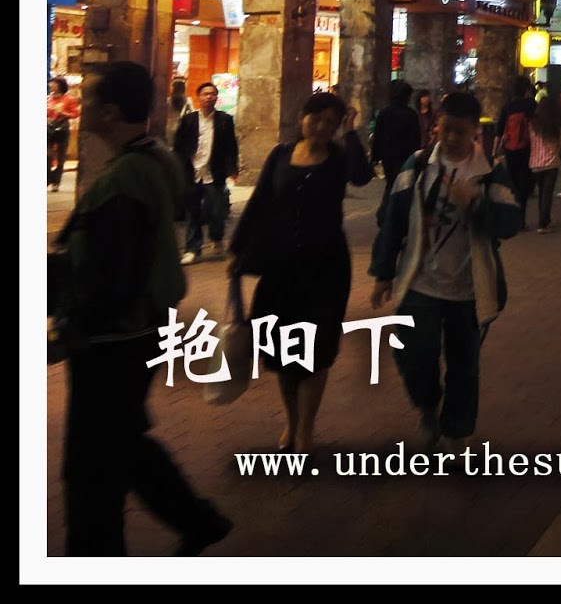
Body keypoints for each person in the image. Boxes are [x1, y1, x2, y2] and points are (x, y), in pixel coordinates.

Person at [52, 61, 233, 555]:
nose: (80, 105)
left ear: (110, 111)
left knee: (93, 472)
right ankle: (196, 519)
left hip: (113, 338)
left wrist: (70, 323)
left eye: (87, 99)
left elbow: (111, 273)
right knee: (125, 441)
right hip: (138, 330)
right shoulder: (153, 159)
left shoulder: (124, 179)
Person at [369, 91, 521, 455]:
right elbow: (391, 218)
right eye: (445, 129)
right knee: (411, 351)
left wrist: (476, 203)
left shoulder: (490, 173)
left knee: (464, 365)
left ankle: (456, 430)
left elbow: (510, 222)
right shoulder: (418, 165)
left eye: (460, 131)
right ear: (436, 125)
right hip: (421, 281)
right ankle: (427, 404)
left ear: (475, 133)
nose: (451, 137)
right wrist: (383, 272)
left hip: (469, 288)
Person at [228, 92, 374, 455]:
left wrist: (352, 132)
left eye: (331, 122)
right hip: (281, 267)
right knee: (281, 352)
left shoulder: (339, 158)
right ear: (303, 117)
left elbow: (363, 175)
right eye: (317, 118)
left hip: (325, 269)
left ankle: (306, 429)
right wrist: (237, 249)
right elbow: (260, 201)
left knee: (315, 350)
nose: (323, 127)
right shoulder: (279, 155)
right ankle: (290, 423)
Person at [171, 80, 240, 265]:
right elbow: (178, 145)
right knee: (193, 212)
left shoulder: (225, 120)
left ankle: (216, 238)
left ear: (217, 97)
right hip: (193, 171)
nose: (208, 97)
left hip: (214, 171)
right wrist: (177, 166)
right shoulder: (189, 120)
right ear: (198, 97)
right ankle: (193, 248)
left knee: (216, 210)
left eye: (212, 94)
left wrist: (232, 168)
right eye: (205, 94)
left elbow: (231, 146)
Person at [371, 79, 424, 226]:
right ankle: (388, 214)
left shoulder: (384, 112)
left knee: (392, 183)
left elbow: (377, 136)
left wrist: (375, 157)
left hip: (388, 155)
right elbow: (415, 138)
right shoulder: (410, 114)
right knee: (401, 184)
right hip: (405, 156)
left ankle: (386, 213)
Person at [493, 75, 537, 214]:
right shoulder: (531, 104)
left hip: (510, 148)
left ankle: (512, 212)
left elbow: (499, 131)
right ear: (526, 89)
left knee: (512, 181)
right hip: (527, 147)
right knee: (524, 180)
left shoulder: (508, 106)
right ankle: (521, 215)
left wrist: (494, 151)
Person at [525, 95, 561, 232]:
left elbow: (529, 142)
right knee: (547, 192)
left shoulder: (532, 124)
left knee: (541, 191)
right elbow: (559, 144)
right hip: (552, 161)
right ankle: (544, 222)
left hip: (535, 162)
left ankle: (543, 219)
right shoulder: (556, 125)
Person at [47, 75, 80, 191]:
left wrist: (63, 113)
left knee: (61, 158)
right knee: (47, 155)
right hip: (49, 129)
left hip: (62, 129)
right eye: (51, 83)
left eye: (54, 83)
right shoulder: (48, 99)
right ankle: (48, 178)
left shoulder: (69, 99)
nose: (51, 85)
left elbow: (75, 114)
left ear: (60, 85)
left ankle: (56, 182)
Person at [166, 77, 194, 146]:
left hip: (169, 127)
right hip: (183, 128)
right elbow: (192, 115)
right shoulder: (188, 101)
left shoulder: (168, 101)